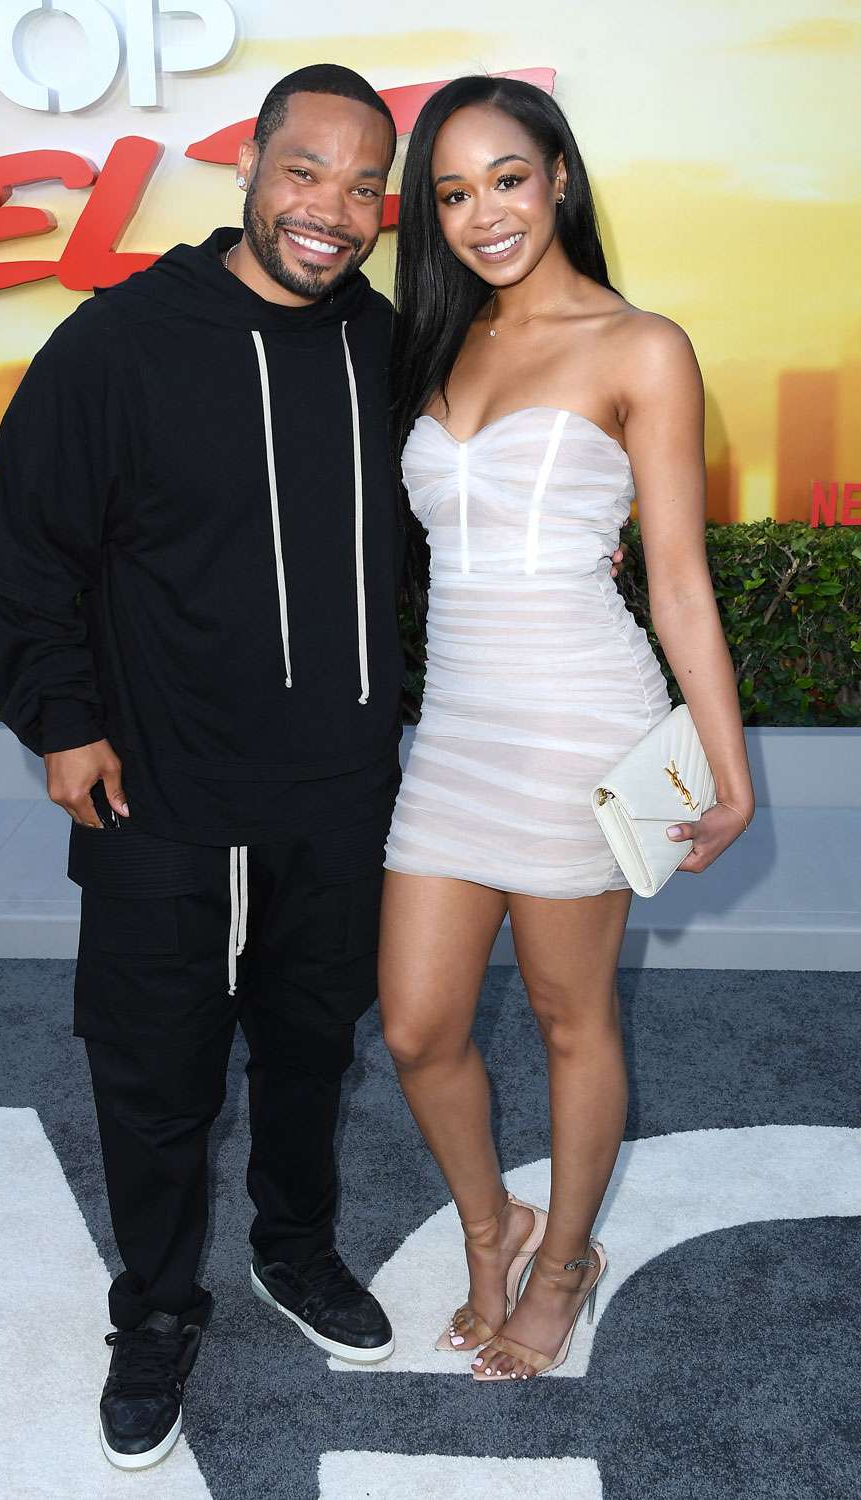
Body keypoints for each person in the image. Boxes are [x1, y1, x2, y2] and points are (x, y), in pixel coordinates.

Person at [0, 64, 408, 1470]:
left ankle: (297, 1247)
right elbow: (22, 546)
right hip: (166, 790)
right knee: (154, 1076)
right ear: (249, 170)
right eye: (304, 172)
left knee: (309, 1047)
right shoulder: (122, 342)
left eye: (360, 185)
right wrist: (59, 720)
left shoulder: (388, 344)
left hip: (339, 792)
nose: (330, 208)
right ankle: (154, 1311)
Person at [378, 76, 755, 1382]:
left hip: (586, 725)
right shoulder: (433, 341)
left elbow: (679, 584)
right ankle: (495, 1234)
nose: (484, 212)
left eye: (508, 178)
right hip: (457, 733)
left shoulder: (640, 346)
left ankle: (567, 1258)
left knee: (570, 1014)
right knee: (419, 1026)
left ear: (560, 180)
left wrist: (727, 763)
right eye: (453, 190)